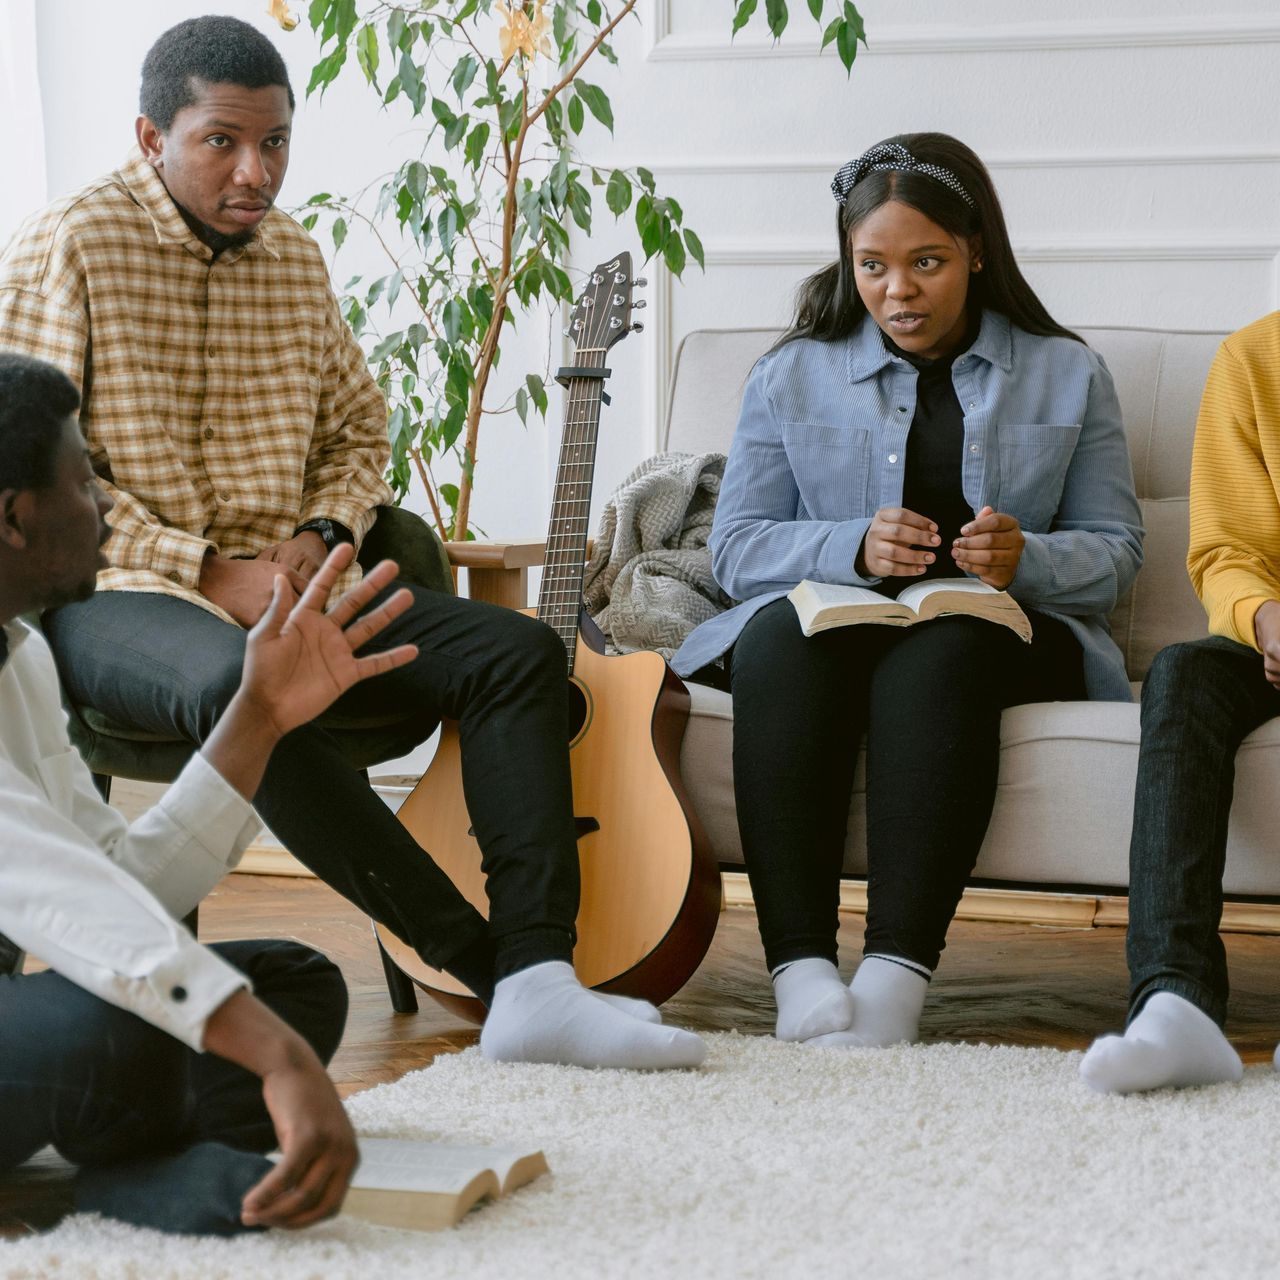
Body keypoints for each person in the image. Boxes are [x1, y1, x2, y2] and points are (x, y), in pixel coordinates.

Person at [0, 15, 703, 1071]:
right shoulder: (74, 243)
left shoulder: (293, 255)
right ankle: (486, 971)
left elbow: (357, 430)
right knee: (249, 684)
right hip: (121, 588)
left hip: (293, 580)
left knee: (513, 653)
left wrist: (321, 529)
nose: (256, 171)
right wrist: (211, 570)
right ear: (151, 138)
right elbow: (35, 463)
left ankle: (540, 973)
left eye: (276, 142)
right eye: (223, 142)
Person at [672, 134, 1144, 1049]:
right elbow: (735, 548)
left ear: (975, 249)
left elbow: (1118, 550)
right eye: (874, 267)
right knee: (776, 640)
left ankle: (894, 976)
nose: (898, 292)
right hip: (840, 620)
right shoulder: (791, 373)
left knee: (943, 650)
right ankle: (799, 968)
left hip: (995, 631)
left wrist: (1025, 560)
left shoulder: (1068, 372)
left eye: (925, 263)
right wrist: (851, 544)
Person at [0, 351, 424, 1233]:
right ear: (14, 517)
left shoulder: (21, 655)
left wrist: (258, 716)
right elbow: (54, 891)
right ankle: (137, 1153)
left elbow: (121, 879)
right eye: (84, 483)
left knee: (295, 987)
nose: (108, 507)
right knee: (120, 1036)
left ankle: (123, 1163)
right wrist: (274, 1062)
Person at [1080, 310, 1280, 1094]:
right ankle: (1176, 1001)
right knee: (1184, 674)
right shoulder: (1254, 358)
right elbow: (1227, 550)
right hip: (1267, 636)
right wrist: (1265, 619)